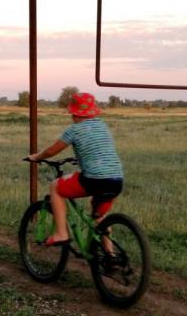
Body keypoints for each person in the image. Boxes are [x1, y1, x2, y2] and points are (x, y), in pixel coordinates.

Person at [27, 92, 123, 246]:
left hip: (94, 180)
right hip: (116, 179)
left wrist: (37, 157)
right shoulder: (102, 125)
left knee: (55, 188)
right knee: (99, 216)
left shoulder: (74, 129)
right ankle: (110, 257)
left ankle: (61, 234)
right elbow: (98, 149)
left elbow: (52, 151)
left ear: (74, 112)